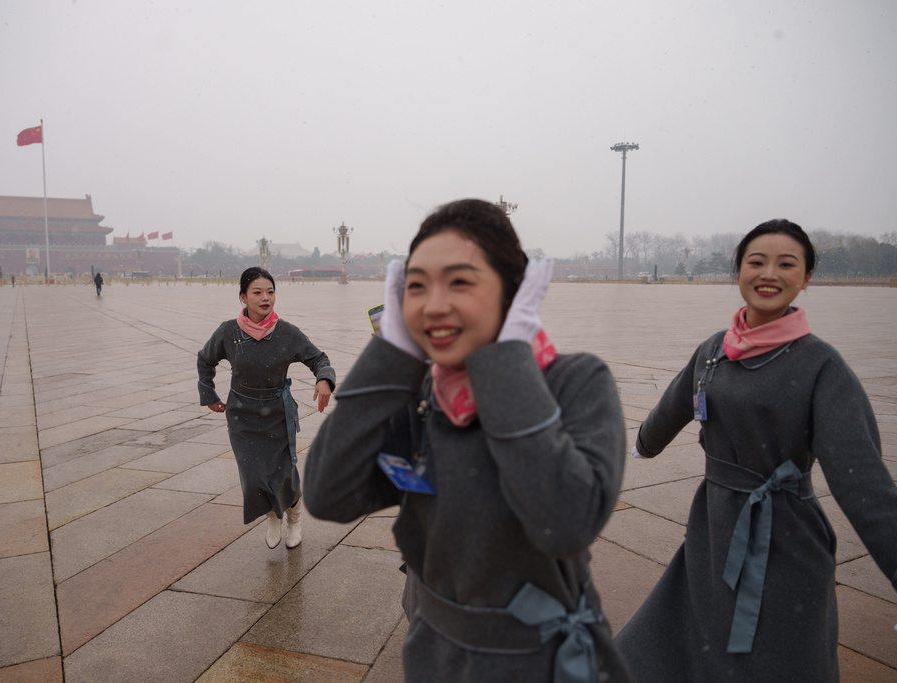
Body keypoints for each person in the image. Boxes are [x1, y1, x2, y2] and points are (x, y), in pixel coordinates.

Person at [304, 199, 631, 682]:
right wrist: (389, 358)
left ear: (513, 293)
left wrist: (505, 362)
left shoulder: (574, 382)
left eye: (460, 281)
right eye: (417, 286)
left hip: (541, 661)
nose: (434, 305)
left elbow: (564, 522)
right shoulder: (421, 397)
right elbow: (328, 493)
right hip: (435, 653)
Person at [615, 219, 897, 682]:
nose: (770, 273)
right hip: (714, 523)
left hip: (783, 535)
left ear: (806, 278)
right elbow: (676, 401)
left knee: (777, 655)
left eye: (787, 264)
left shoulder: (821, 366)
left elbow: (863, 480)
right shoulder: (714, 349)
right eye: (756, 261)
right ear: (739, 271)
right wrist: (644, 443)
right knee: (689, 640)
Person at [197, 266, 335, 549]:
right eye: (257, 292)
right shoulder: (228, 332)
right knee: (253, 476)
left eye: (270, 292)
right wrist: (208, 392)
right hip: (242, 415)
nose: (265, 298)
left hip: (277, 414)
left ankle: (294, 519)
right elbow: (204, 360)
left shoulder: (286, 333)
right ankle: (273, 514)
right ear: (243, 298)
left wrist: (324, 379)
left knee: (285, 474)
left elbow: (319, 358)